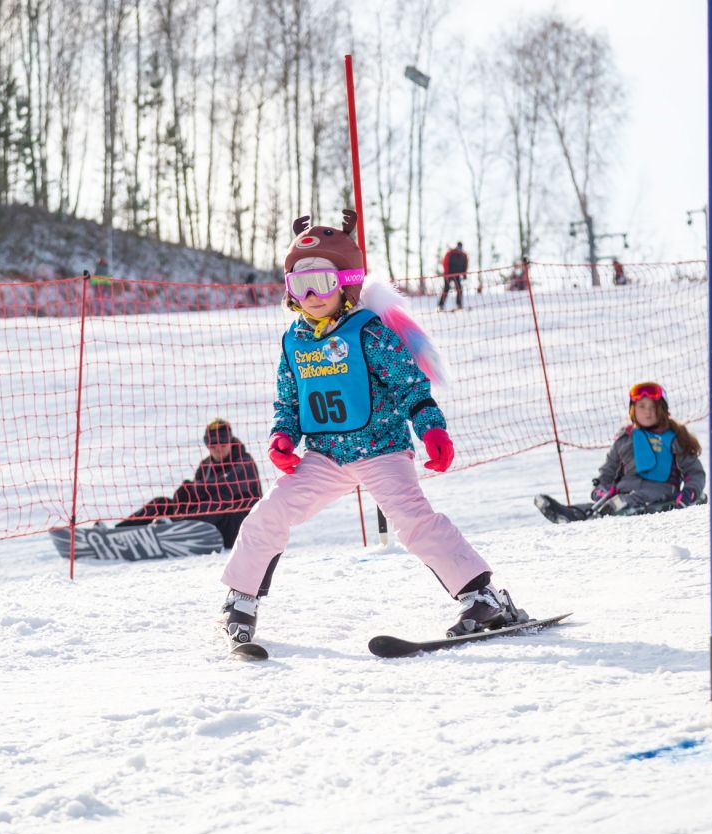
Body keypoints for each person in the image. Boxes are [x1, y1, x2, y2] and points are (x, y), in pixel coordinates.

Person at [218, 211, 525, 645]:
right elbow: (288, 400)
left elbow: (409, 385)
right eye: (299, 285)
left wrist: (431, 429)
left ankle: (484, 597)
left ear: (346, 283)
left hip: (381, 447)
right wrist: (281, 436)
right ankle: (241, 600)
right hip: (326, 456)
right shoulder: (295, 341)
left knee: (412, 520)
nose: (310, 295)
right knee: (270, 513)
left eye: (321, 282)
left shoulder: (369, 332)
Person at [534, 382, 706, 523]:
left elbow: (694, 473)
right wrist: (601, 487)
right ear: (633, 410)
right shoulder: (626, 439)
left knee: (627, 501)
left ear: (662, 409)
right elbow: (609, 470)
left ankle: (615, 509)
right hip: (623, 492)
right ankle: (571, 513)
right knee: (600, 505)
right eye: (642, 406)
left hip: (660, 490)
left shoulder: (675, 438)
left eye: (653, 407)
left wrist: (689, 493)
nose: (647, 412)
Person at [119, 418, 262, 548]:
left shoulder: (244, 462)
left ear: (230, 442)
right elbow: (198, 495)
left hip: (240, 528)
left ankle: (172, 528)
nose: (218, 449)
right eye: (213, 445)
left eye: (223, 444)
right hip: (211, 524)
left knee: (220, 501)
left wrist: (193, 488)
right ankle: (114, 533)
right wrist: (184, 496)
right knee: (162, 503)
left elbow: (226, 488)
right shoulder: (205, 466)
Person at [437, 241, 468, 311]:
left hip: (457, 275)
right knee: (446, 289)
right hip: (448, 274)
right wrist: (446, 273)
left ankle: (459, 304)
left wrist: (464, 275)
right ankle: (441, 305)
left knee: (459, 289)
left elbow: (465, 265)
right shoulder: (451, 253)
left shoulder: (464, 255)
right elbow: (445, 262)